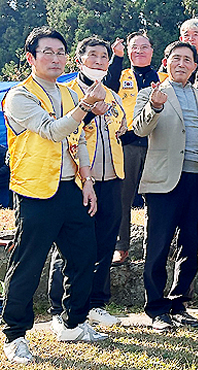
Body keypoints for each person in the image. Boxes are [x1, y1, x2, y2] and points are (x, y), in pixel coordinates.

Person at [2, 27, 108, 364]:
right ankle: (14, 335)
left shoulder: (67, 93)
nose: (55, 58)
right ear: (30, 58)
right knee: (28, 263)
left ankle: (73, 322)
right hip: (34, 191)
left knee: (83, 256)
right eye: (47, 52)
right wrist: (85, 106)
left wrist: (87, 181)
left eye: (60, 52)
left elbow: (80, 138)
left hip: (70, 187)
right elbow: (52, 131)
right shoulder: (19, 96)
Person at [48, 36, 128, 328]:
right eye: (92, 55)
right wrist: (89, 115)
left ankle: (96, 303)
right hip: (79, 180)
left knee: (105, 243)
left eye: (104, 56)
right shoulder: (67, 93)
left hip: (112, 177)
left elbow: (121, 127)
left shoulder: (113, 95)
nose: (99, 61)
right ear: (79, 60)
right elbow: (63, 132)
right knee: (70, 245)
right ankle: (59, 306)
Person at [132, 41, 198, 332]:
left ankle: (180, 303)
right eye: (176, 58)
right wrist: (154, 106)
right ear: (165, 62)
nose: (181, 64)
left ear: (194, 66)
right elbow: (140, 129)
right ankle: (156, 307)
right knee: (158, 244)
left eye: (187, 59)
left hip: (197, 177)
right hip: (164, 180)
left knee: (190, 243)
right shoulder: (150, 93)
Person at [108, 30, 168, 265]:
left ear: (152, 51)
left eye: (144, 47)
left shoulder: (163, 78)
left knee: (156, 199)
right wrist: (116, 57)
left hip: (157, 143)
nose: (139, 51)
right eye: (134, 47)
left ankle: (153, 248)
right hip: (128, 144)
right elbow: (107, 88)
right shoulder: (120, 74)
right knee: (122, 197)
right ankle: (121, 246)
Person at [159, 18, 198, 86]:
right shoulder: (172, 59)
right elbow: (161, 82)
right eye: (186, 35)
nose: (191, 39)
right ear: (181, 39)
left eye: (195, 34)